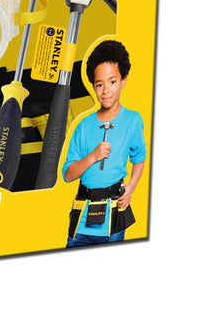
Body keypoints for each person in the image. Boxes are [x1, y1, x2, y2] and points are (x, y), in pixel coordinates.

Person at [62, 40, 146, 248]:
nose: (106, 90)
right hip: (82, 218)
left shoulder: (132, 120)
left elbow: (139, 158)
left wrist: (131, 188)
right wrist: (93, 156)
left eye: (112, 82)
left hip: (113, 218)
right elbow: (68, 175)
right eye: (99, 84)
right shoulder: (83, 125)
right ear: (93, 86)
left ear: (123, 80)